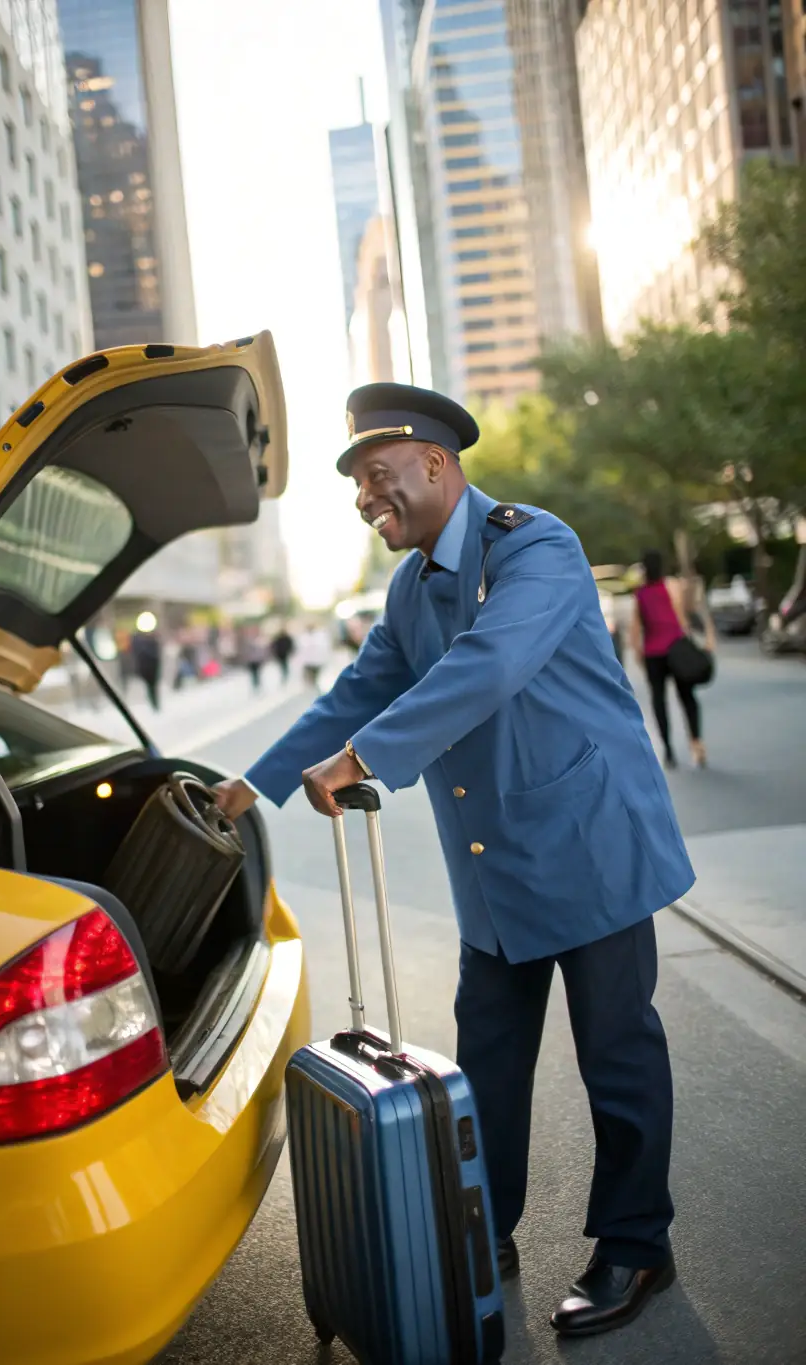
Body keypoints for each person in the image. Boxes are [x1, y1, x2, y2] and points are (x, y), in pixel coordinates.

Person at [214, 381, 694, 1341]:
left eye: (378, 476)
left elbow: (489, 665)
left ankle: (638, 1243)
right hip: (494, 870)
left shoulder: (536, 547)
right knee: (491, 1064)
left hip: (589, 843)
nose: (365, 498)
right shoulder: (408, 586)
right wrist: (252, 782)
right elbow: (362, 684)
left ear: (437, 464)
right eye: (356, 485)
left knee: (617, 1054)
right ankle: (486, 1225)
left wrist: (365, 759)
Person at [630, 550, 712, 768]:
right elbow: (682, 616)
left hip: (653, 654)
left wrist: (639, 655)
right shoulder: (671, 585)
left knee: (659, 700)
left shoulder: (640, 594)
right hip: (676, 648)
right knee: (687, 697)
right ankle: (696, 742)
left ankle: (668, 751)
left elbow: (635, 629)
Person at [129, 627, 162, 711]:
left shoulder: (152, 639)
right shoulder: (138, 641)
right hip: (145, 667)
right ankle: (154, 703)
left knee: (153, 686)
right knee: (150, 687)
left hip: (153, 666)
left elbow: (156, 652)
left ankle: (155, 703)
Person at [299, 621, 330, 693]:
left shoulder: (319, 636)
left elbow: (323, 647)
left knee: (316, 674)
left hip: (317, 660)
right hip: (308, 661)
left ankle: (315, 684)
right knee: (310, 674)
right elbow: (301, 649)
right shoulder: (304, 636)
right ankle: (311, 684)